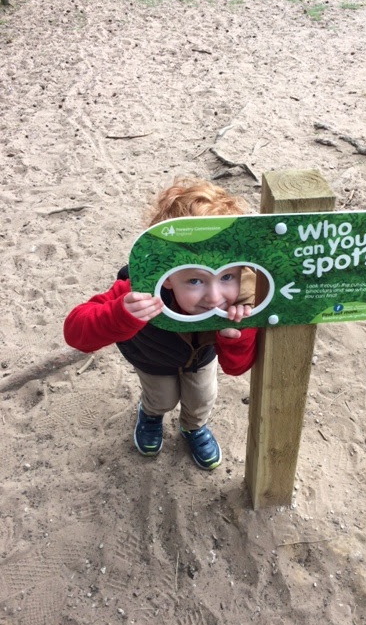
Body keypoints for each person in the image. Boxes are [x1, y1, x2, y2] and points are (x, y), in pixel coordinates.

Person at [63, 178, 257, 470]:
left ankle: (193, 427)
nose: (215, 296)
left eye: (227, 276)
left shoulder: (242, 299)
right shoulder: (139, 291)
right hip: (152, 358)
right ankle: (150, 415)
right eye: (195, 280)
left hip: (201, 359)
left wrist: (234, 335)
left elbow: (236, 367)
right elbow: (76, 333)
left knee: (202, 398)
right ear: (167, 275)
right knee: (162, 398)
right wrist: (119, 314)